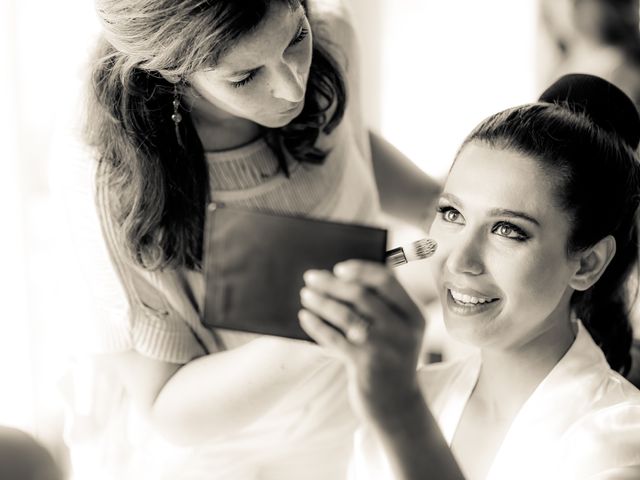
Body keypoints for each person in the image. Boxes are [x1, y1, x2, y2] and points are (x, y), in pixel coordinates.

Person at [57, 0, 441, 478]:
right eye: (244, 77)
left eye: (296, 38)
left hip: (364, 406)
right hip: (233, 456)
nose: (291, 86)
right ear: (172, 75)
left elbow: (343, 140)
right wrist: (315, 330)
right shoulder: (111, 184)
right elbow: (167, 407)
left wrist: (434, 205)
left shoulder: (330, 39)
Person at [299, 73, 640, 480]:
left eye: (508, 230)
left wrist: (402, 415)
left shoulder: (618, 438)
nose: (459, 261)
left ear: (587, 263)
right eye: (451, 214)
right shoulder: (416, 390)